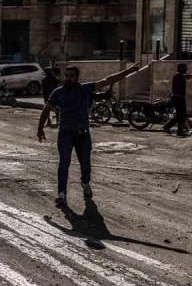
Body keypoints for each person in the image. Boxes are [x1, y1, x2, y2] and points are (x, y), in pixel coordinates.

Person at [37, 63, 139, 207]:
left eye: (71, 76)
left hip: (82, 135)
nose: (68, 78)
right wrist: (40, 129)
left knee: (85, 164)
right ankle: (61, 194)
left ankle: (85, 183)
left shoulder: (84, 89)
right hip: (65, 134)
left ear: (77, 77)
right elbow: (46, 109)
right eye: (66, 76)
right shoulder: (58, 92)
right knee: (63, 164)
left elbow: (108, 80)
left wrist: (129, 70)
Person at [163, 63, 192, 137]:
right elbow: (186, 77)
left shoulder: (180, 76)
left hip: (180, 98)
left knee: (180, 115)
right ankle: (178, 131)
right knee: (181, 115)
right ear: (180, 68)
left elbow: (187, 77)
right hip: (178, 98)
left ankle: (169, 127)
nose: (186, 69)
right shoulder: (178, 76)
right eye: (184, 68)